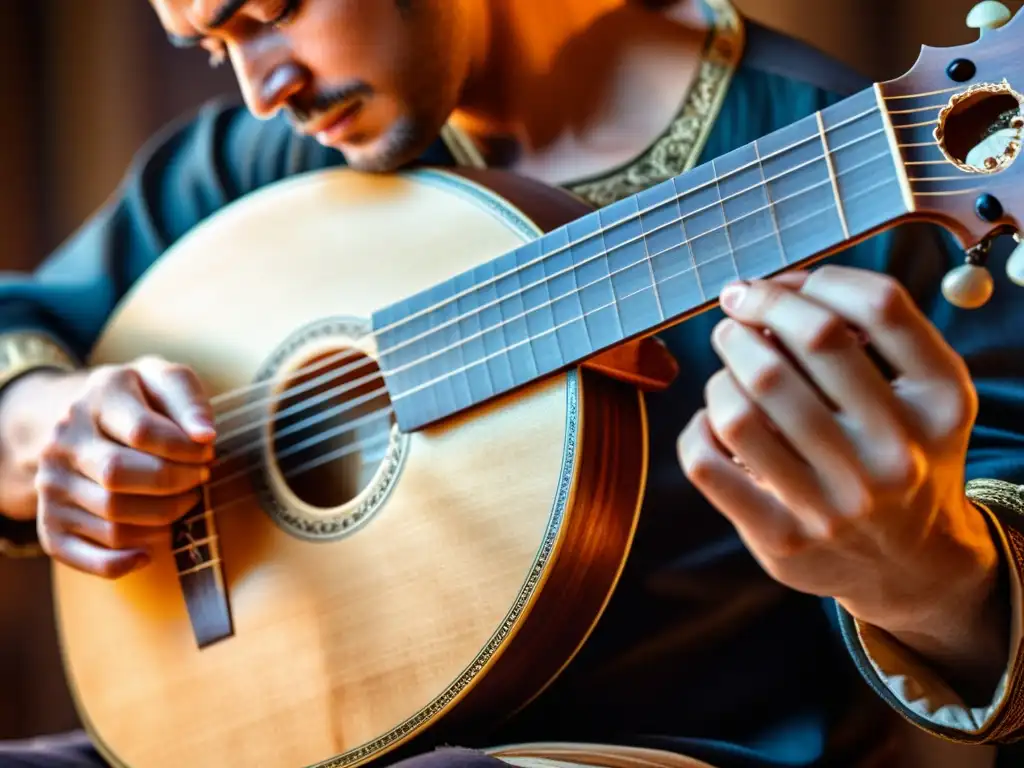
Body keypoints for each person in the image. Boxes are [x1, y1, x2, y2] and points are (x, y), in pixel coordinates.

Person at [0, 0, 1022, 766]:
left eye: (268, 14)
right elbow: (24, 327)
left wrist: (922, 565)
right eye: (213, 46)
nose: (262, 86)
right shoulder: (255, 165)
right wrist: (52, 426)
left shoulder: (856, 164)